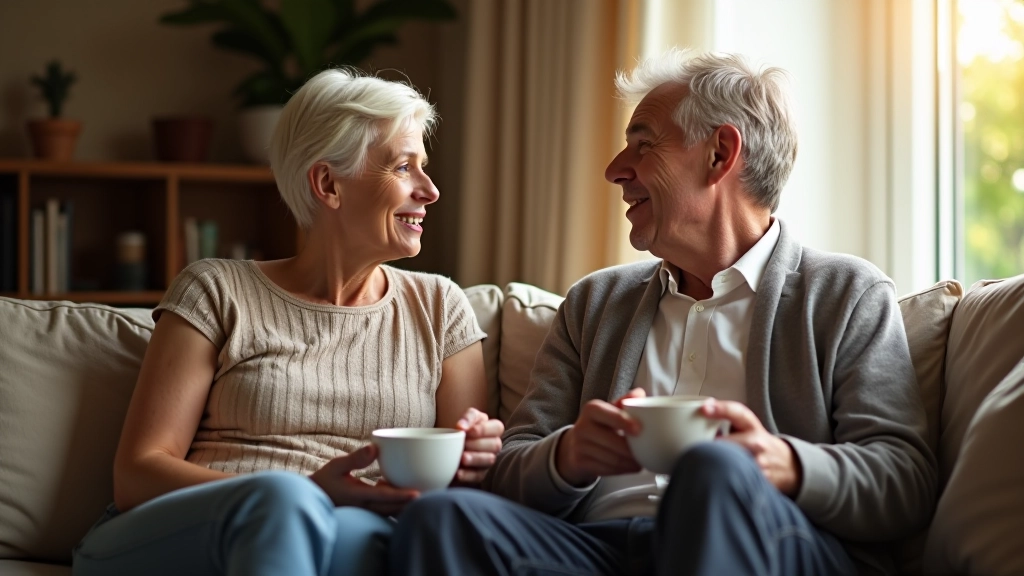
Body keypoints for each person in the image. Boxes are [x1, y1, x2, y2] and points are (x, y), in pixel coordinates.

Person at [389, 49, 936, 575]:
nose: (614, 170)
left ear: (721, 154)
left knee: (716, 470)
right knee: (442, 517)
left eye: (643, 146)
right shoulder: (595, 303)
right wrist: (569, 456)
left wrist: (784, 463)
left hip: (768, 538)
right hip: (598, 549)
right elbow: (511, 465)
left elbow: (904, 478)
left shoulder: (844, 293)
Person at [71, 68, 503, 576]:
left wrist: (476, 453)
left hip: (350, 528)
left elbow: (457, 498)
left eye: (423, 168)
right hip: (188, 529)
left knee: (359, 541)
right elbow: (137, 475)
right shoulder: (216, 289)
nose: (429, 190)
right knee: (283, 500)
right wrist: (303, 491)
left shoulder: (439, 308)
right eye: (404, 168)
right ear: (327, 183)